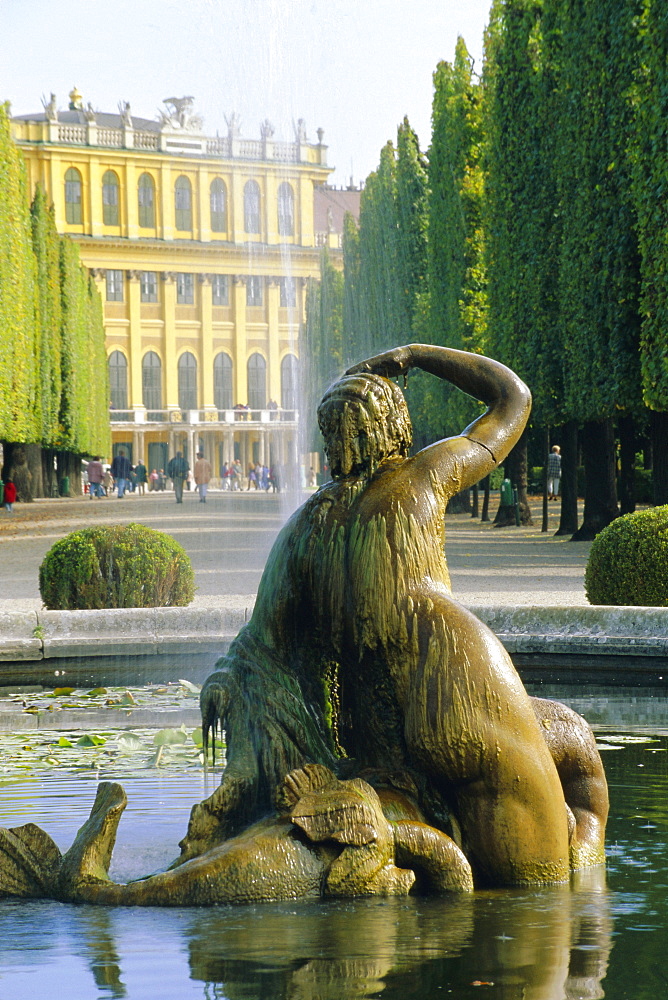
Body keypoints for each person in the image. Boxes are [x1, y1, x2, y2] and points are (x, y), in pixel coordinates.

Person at [191, 345, 607, 886]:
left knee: (538, 756)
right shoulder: (422, 478)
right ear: (394, 427)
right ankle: (577, 873)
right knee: (541, 851)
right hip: (460, 682)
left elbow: (258, 649)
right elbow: (513, 398)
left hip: (382, 732)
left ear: (331, 439)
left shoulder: (303, 528)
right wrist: (413, 356)